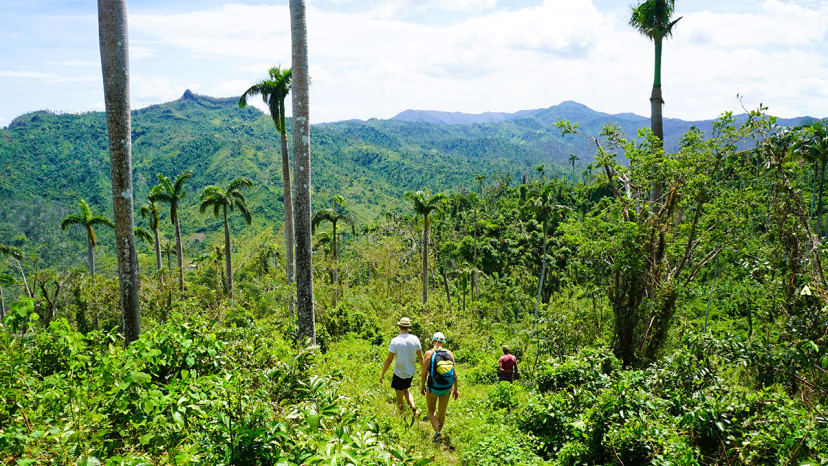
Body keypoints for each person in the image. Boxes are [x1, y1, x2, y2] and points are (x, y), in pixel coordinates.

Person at [379, 317, 423, 418]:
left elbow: (389, 359)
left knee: (399, 394)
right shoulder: (415, 339)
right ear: (408, 327)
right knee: (405, 390)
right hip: (410, 372)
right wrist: (423, 370)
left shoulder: (395, 341)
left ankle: (401, 416)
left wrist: (382, 374)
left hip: (399, 373)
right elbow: (420, 356)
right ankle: (415, 409)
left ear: (399, 326)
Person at [420, 332, 458, 442]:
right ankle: (439, 431)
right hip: (447, 388)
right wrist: (456, 389)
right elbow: (455, 374)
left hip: (432, 388)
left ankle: (437, 431)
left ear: (433, 341)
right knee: (442, 412)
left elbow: (424, 373)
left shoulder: (429, 353)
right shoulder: (449, 353)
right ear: (444, 343)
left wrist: (422, 386)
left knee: (431, 411)